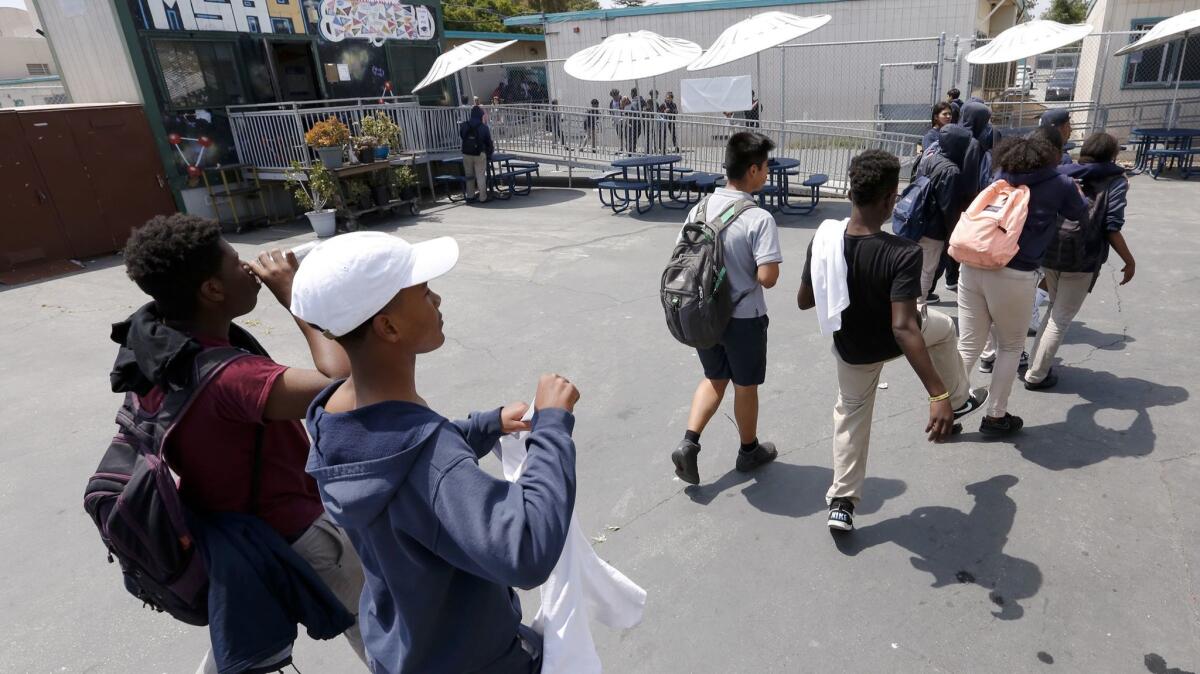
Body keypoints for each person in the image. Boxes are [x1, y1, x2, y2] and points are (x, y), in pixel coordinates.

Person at [289, 232, 580, 673]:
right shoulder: (428, 453)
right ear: (388, 326)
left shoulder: (333, 414)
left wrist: (484, 425)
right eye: (424, 292)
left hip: (402, 650)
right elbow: (525, 550)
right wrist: (554, 426)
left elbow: (400, 457)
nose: (437, 298)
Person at [115, 214, 367, 672]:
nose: (250, 266)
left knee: (240, 636)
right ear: (211, 290)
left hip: (228, 535)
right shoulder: (231, 378)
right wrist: (295, 297)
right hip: (293, 530)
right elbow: (348, 383)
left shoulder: (152, 349)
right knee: (381, 629)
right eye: (235, 261)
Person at [797, 150, 985, 531]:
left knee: (851, 415)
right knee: (944, 328)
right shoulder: (903, 253)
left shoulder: (825, 240)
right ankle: (959, 398)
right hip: (894, 339)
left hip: (853, 349)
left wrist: (832, 273)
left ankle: (842, 504)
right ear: (889, 199)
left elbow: (804, 301)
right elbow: (903, 328)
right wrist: (938, 395)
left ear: (852, 193)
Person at [957, 133, 1090, 436]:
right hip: (1014, 273)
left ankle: (950, 406)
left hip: (972, 263)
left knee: (969, 344)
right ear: (1050, 157)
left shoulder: (999, 177)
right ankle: (995, 417)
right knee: (1011, 346)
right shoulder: (1060, 184)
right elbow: (1079, 214)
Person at [670, 132, 782, 485]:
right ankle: (749, 451)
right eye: (764, 167)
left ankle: (689, 443)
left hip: (704, 315)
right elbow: (768, 277)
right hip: (743, 318)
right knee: (745, 386)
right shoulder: (758, 218)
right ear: (751, 170)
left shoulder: (699, 208)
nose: (767, 173)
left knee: (714, 378)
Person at [1025, 132, 1136, 390]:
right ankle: (1037, 375)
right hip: (1083, 253)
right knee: (1060, 316)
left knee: (1054, 309)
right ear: (1112, 155)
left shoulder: (1063, 171)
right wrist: (1129, 261)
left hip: (1050, 247)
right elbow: (1111, 226)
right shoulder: (1115, 180)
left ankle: (1035, 364)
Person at [914, 124, 972, 305]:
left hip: (918, 221)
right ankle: (916, 311)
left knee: (917, 269)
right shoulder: (952, 171)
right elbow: (949, 208)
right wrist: (953, 234)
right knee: (927, 271)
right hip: (934, 229)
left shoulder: (930, 158)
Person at [460, 105, 495, 203]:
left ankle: (470, 196)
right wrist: (489, 153)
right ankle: (483, 197)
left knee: (469, 175)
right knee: (480, 175)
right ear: (480, 115)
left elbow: (462, 136)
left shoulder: (464, 125)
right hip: (479, 153)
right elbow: (488, 141)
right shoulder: (483, 127)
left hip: (466, 153)